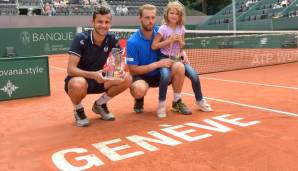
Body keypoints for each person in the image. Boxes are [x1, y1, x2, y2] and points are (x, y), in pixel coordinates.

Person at [64, 6, 132, 127]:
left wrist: (114, 71)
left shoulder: (112, 39)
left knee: (126, 78)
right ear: (93, 22)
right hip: (81, 79)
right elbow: (71, 69)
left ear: (110, 24)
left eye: (107, 22)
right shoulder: (81, 38)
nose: (103, 25)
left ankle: (100, 104)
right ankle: (78, 109)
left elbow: (118, 66)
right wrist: (93, 75)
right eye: (100, 21)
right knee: (77, 84)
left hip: (101, 78)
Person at [126, 4, 191, 118]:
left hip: (162, 73)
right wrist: (156, 64)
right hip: (143, 76)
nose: (150, 21)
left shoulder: (161, 31)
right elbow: (133, 70)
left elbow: (177, 43)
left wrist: (182, 52)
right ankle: (139, 98)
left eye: (152, 17)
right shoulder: (132, 42)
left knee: (180, 67)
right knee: (138, 89)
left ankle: (177, 102)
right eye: (147, 18)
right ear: (140, 18)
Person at [151, 1, 212, 114]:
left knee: (194, 75)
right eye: (172, 13)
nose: (174, 16)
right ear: (167, 14)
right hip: (164, 58)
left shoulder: (181, 28)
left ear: (180, 16)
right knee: (164, 76)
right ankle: (161, 104)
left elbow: (182, 45)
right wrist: (168, 41)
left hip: (178, 58)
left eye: (177, 14)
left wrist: (181, 43)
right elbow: (154, 46)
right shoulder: (163, 29)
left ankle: (199, 100)